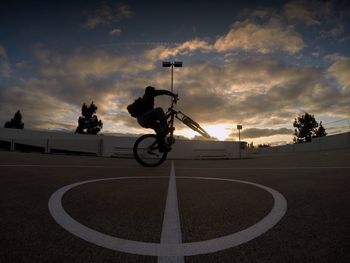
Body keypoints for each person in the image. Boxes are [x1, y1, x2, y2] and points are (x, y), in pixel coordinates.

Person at [136, 86, 178, 151]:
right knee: (159, 110)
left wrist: (167, 116)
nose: (155, 93)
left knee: (160, 132)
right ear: (151, 91)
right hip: (143, 118)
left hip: (145, 120)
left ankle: (161, 147)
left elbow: (162, 119)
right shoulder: (148, 94)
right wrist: (173, 95)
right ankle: (164, 129)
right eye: (154, 91)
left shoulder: (148, 103)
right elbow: (163, 92)